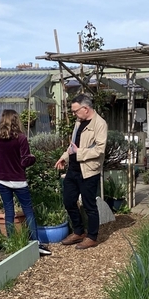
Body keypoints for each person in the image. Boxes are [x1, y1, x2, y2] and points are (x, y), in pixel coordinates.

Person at [0, 109, 52, 256]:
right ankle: (35, 243)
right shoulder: (21, 138)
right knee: (28, 211)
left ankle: (12, 243)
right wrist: (33, 158)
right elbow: (25, 160)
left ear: (3, 119)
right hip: (18, 179)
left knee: (9, 211)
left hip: (3, 179)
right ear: (16, 120)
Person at [54, 94, 107, 250]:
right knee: (68, 200)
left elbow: (99, 149)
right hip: (74, 169)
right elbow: (73, 146)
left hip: (89, 171)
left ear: (86, 108)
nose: (74, 114)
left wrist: (79, 153)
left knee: (89, 205)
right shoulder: (79, 122)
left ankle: (92, 236)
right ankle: (78, 231)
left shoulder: (100, 124)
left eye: (75, 111)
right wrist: (65, 157)